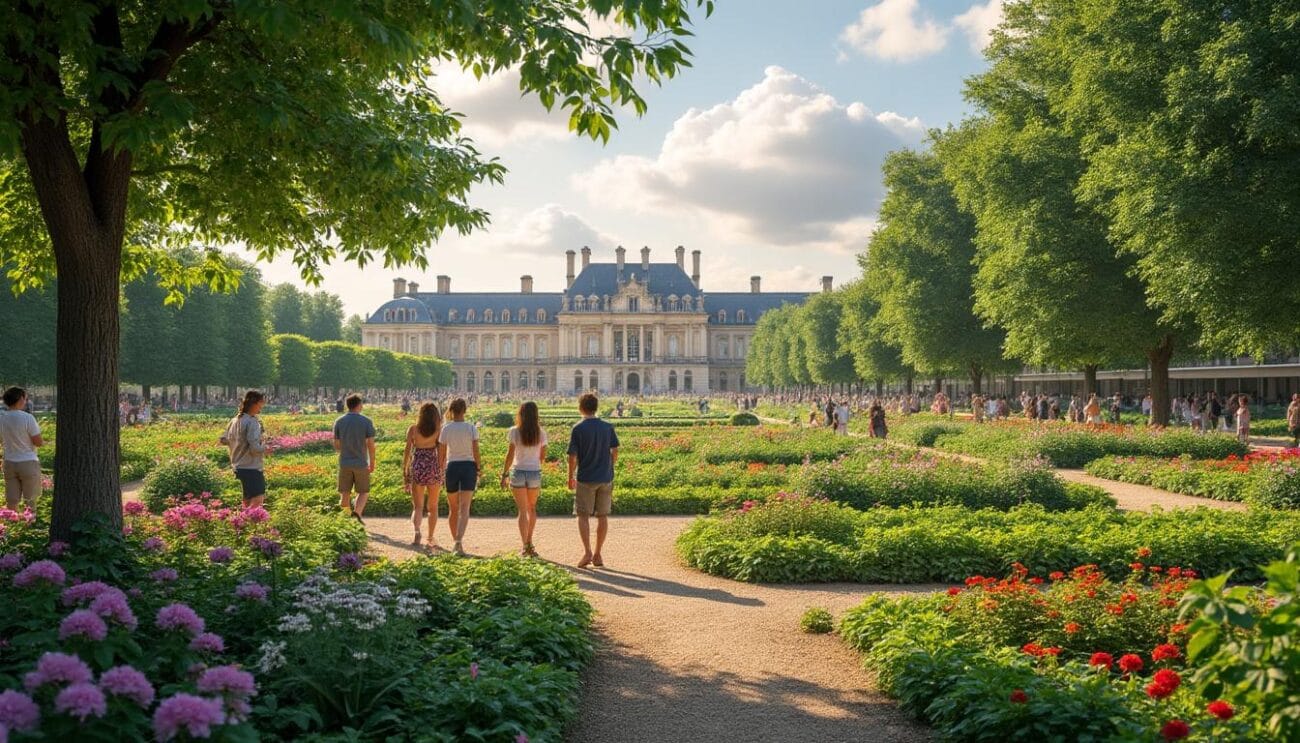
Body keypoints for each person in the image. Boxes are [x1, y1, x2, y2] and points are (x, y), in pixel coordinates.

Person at [567, 393, 619, 568]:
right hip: (605, 477)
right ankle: (598, 554)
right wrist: (609, 465)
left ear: (580, 408)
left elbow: (572, 456)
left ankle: (587, 551)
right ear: (596, 407)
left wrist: (570, 475)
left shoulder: (578, 428)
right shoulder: (607, 427)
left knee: (583, 515)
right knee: (602, 516)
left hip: (586, 477)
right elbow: (615, 450)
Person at [500, 401, 547, 557]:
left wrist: (504, 473)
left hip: (518, 471)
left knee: (522, 511)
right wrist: (535, 464)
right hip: (534, 472)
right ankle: (530, 542)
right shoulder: (541, 432)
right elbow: (543, 456)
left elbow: (510, 455)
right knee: (532, 509)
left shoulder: (514, 431)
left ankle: (525, 545)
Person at [440, 398, 480, 556]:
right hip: (468, 467)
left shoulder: (446, 429)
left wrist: (441, 471)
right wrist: (479, 467)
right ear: (465, 410)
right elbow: (476, 451)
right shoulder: (471, 428)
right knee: (465, 508)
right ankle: (459, 541)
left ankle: (455, 543)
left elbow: (441, 455)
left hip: (452, 467)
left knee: (453, 508)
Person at [402, 402, 443, 550]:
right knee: (433, 507)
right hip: (433, 466)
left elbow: (407, 452)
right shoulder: (438, 429)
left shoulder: (413, 429)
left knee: (417, 506)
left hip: (417, 465)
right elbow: (441, 453)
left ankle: (417, 532)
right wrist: (441, 470)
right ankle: (431, 537)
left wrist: (404, 470)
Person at [220, 390, 268, 509]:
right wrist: (266, 447)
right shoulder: (252, 422)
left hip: (238, 466)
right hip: (251, 466)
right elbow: (255, 448)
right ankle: (251, 523)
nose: (263, 405)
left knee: (247, 499)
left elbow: (223, 439)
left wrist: (238, 442)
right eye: (262, 402)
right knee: (258, 498)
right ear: (255, 403)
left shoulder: (235, 420)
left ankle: (242, 523)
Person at [332, 394, 376, 524]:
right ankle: (356, 514)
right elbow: (371, 445)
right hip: (361, 462)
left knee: (344, 492)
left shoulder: (339, 421)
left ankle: (346, 520)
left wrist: (345, 449)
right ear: (358, 405)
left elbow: (337, 445)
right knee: (363, 491)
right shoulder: (366, 421)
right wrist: (372, 462)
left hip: (345, 462)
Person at [1, 387, 44, 511]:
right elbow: (38, 442)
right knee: (30, 499)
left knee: (12, 499)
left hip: (9, 461)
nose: (26, 401)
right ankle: (29, 524)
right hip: (28, 462)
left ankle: (11, 525)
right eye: (25, 398)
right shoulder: (27, 418)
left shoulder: (1, 418)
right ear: (20, 399)